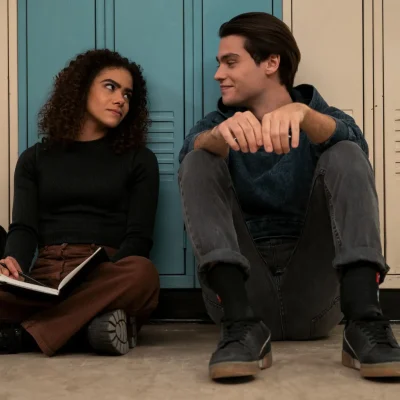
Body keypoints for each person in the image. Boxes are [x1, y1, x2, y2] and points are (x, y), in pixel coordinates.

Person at [178, 12, 400, 380]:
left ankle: (364, 320)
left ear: (271, 62)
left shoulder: (320, 115)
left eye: (230, 62)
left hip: (313, 296)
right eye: (219, 64)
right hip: (240, 299)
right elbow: (190, 155)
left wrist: (304, 115)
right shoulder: (217, 122)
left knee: (345, 149)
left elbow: (356, 151)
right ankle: (241, 324)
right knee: (199, 157)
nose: (218, 74)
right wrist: (220, 137)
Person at [0, 49, 160, 357]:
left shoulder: (139, 160)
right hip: (43, 276)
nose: (121, 100)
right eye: (110, 87)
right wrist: (13, 266)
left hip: (103, 273)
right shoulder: (34, 158)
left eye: (128, 94)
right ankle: (86, 328)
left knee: (143, 274)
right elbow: (23, 228)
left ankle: (24, 336)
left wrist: (93, 277)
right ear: (81, 87)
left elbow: (138, 240)